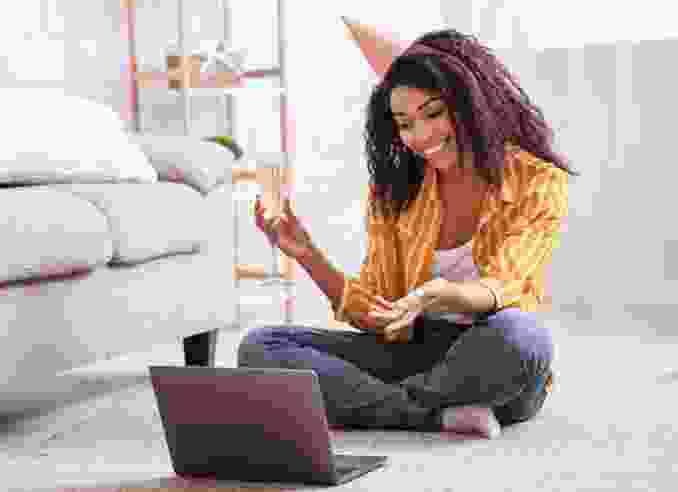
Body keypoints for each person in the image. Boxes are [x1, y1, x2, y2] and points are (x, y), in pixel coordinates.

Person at [238, 29, 580, 439]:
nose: (420, 137)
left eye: (433, 113)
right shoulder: (397, 191)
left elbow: (504, 285)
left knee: (525, 340)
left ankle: (377, 404)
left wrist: (443, 294)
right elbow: (377, 315)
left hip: (487, 351)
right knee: (261, 347)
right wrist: (306, 253)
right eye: (405, 123)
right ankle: (432, 413)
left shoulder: (538, 179)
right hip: (414, 350)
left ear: (472, 103)